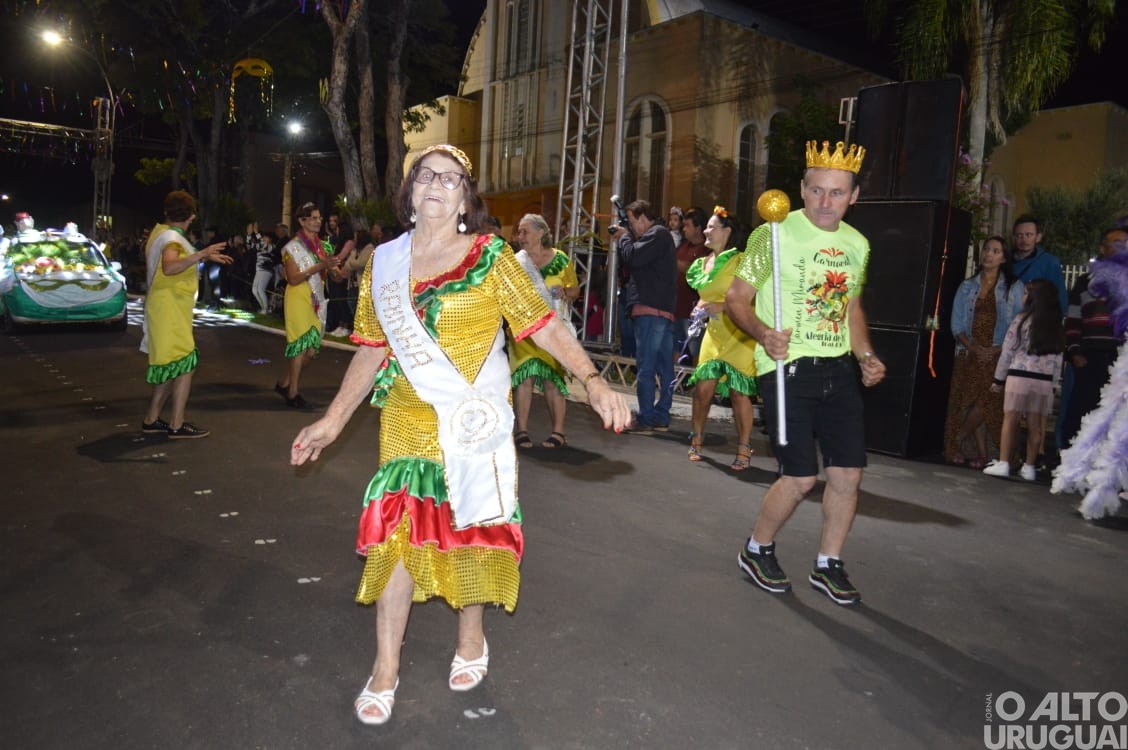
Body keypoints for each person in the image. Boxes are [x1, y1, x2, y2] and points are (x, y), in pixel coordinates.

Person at [288, 145, 629, 726]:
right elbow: (371, 349)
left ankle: (471, 636)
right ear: (410, 192)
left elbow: (542, 325)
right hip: (407, 418)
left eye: (451, 179)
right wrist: (333, 419)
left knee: (469, 525)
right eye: (427, 176)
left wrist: (592, 380)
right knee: (397, 534)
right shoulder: (385, 263)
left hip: (473, 418)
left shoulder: (489, 256)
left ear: (466, 199)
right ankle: (385, 666)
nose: (437, 185)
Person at [725, 140, 885, 606]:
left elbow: (851, 307)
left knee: (848, 475)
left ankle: (828, 564)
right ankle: (757, 549)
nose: (825, 201)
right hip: (786, 367)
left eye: (837, 192)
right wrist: (763, 333)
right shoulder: (771, 234)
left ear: (854, 196)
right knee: (800, 478)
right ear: (801, 189)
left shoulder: (857, 245)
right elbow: (736, 298)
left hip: (839, 369)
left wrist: (865, 355)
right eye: (816, 190)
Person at [141, 190, 231, 438]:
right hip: (168, 309)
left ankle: (151, 419)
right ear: (191, 216)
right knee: (186, 364)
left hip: (168, 308)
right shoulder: (171, 238)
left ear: (166, 212)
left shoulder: (160, 232)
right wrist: (201, 254)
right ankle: (176, 424)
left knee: (174, 365)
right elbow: (170, 267)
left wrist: (201, 257)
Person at [684, 206, 758, 470]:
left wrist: (723, 306)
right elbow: (707, 295)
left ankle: (744, 447)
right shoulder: (703, 263)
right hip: (714, 333)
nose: (706, 230)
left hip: (740, 333)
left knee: (739, 392)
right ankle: (696, 439)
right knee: (703, 390)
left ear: (727, 231)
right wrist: (699, 307)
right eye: (706, 226)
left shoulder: (742, 261)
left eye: (711, 227)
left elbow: (754, 299)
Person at [943, 235, 1025, 467]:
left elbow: (1018, 325)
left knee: (987, 399)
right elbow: (956, 324)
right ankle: (981, 453)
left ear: (1004, 258)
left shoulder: (1014, 287)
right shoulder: (967, 286)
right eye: (987, 249)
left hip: (998, 354)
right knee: (968, 401)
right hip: (970, 353)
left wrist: (997, 350)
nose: (988, 254)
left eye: (995, 251)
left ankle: (958, 439)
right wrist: (973, 347)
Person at [508, 213, 580, 449]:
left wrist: (563, 292)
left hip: (552, 330)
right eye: (519, 232)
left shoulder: (560, 259)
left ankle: (558, 432)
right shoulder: (516, 262)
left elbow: (575, 291)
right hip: (525, 330)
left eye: (525, 231)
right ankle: (522, 430)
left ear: (540, 233)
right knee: (524, 377)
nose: (520, 236)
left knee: (552, 379)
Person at [983, 279, 1065, 481]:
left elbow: (1008, 351)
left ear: (1035, 298)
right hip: (1043, 381)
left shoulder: (1021, 320)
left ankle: (1003, 463)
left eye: (1027, 293)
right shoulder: (1055, 324)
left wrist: (998, 379)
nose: (1023, 296)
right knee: (1035, 424)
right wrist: (1054, 384)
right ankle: (1029, 467)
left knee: (1010, 420)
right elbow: (1058, 358)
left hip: (1019, 375)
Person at [610, 200, 677, 431]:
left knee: (647, 367)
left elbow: (633, 257)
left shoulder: (657, 234)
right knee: (665, 368)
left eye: (631, 221)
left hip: (650, 310)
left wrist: (624, 237)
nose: (630, 226)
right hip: (661, 311)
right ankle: (661, 416)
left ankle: (647, 417)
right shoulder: (661, 236)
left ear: (642, 217)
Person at [274, 203, 347, 408]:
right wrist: (320, 266)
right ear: (302, 221)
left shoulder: (324, 247)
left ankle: (284, 383)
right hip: (298, 297)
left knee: (312, 351)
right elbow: (293, 279)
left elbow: (337, 277)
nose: (318, 221)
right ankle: (293, 393)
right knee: (300, 345)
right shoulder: (292, 248)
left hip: (317, 299)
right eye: (313, 218)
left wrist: (335, 270)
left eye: (319, 218)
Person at [1059, 227, 1126, 447]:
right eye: (1115, 243)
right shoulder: (1084, 281)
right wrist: (1074, 351)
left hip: (1121, 359)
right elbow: (1073, 319)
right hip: (1090, 356)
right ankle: (1069, 456)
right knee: (1081, 410)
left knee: (1115, 416)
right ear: (1103, 248)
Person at [1010, 214, 1068, 317]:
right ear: (1013, 237)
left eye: (1029, 235)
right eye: (1019, 235)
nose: (1024, 240)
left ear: (1038, 237)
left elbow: (1059, 297)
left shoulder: (1050, 262)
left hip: (1037, 320)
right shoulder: (1004, 261)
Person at [674, 207, 709, 364]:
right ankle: (675, 378)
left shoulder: (707, 250)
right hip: (677, 309)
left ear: (698, 228)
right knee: (676, 348)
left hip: (694, 312)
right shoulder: (683, 246)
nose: (684, 229)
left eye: (687, 225)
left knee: (696, 350)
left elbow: (696, 271)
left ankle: (697, 379)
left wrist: (675, 263)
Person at [250, 226, 277, 314]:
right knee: (254, 290)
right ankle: (264, 308)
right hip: (259, 270)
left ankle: (265, 309)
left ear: (270, 239)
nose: (263, 238)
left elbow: (262, 244)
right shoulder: (261, 246)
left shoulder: (271, 246)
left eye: (265, 237)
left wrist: (256, 233)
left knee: (260, 289)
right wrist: (249, 235)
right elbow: (251, 246)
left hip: (266, 270)